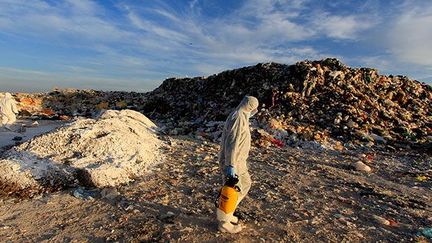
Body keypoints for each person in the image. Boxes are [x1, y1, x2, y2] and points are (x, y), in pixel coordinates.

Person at [217, 95, 259, 233]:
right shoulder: (238, 117)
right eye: (254, 107)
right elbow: (232, 142)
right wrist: (231, 164)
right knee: (234, 190)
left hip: (238, 160)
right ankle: (224, 222)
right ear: (250, 106)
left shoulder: (240, 115)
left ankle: (228, 214)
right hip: (234, 161)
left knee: (243, 185)